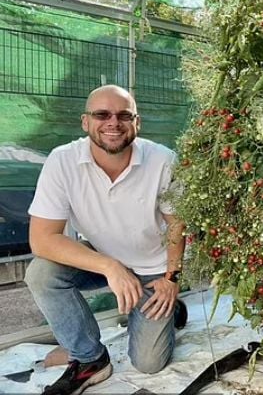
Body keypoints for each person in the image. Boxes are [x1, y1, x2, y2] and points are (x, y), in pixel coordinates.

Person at [24, 84, 186, 395]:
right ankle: (89, 358)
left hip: (153, 270)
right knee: (42, 273)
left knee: (149, 363)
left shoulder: (162, 160)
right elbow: (42, 240)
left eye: (124, 115)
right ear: (86, 122)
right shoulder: (62, 161)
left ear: (137, 123)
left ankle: (172, 310)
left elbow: (178, 224)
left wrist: (172, 277)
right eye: (102, 114)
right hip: (102, 258)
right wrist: (110, 266)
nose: (113, 123)